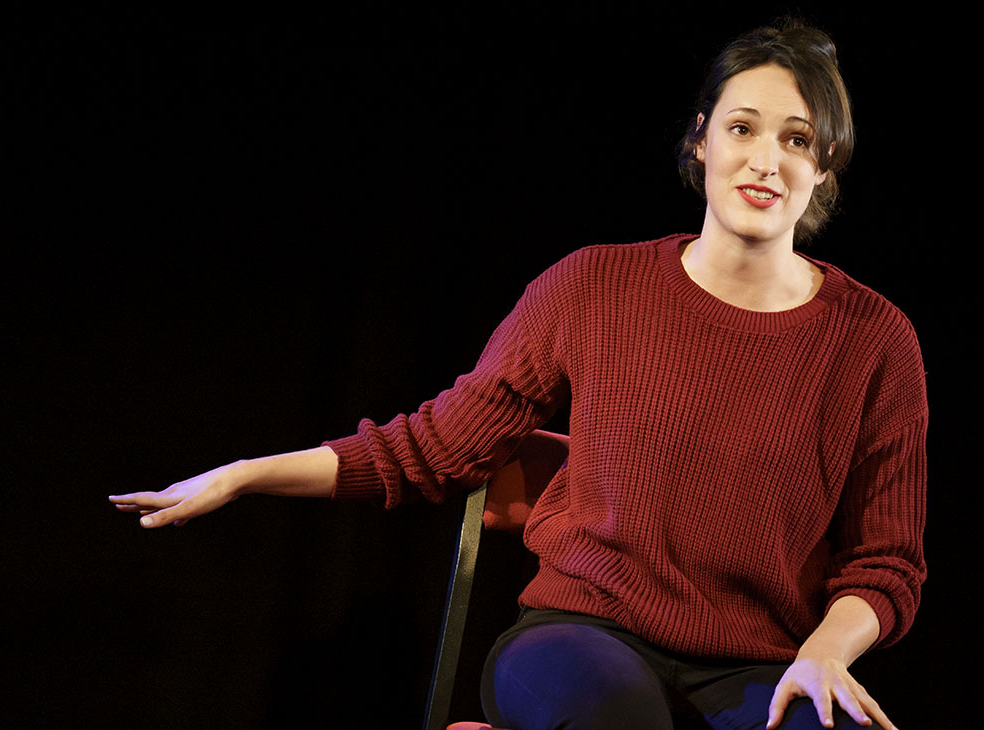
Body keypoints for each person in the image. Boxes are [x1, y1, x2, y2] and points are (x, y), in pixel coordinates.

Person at [110, 18, 926, 730]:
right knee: (614, 715)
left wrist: (824, 656)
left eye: (796, 139)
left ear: (824, 167)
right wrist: (247, 474)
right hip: (581, 636)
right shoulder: (593, 288)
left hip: (760, 665)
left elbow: (885, 562)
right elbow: (432, 448)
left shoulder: (873, 339)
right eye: (744, 128)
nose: (765, 159)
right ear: (700, 140)